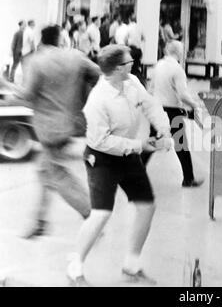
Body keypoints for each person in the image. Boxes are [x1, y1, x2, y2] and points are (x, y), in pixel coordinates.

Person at [66, 45, 172, 286]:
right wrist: (140, 145)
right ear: (115, 69)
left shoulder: (131, 82)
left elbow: (150, 105)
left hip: (128, 155)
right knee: (101, 213)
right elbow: (102, 141)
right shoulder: (98, 100)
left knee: (146, 206)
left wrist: (164, 128)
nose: (132, 64)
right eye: (127, 62)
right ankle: (75, 268)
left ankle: (131, 266)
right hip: (101, 158)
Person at [9, 25, 100, 238]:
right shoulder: (75, 57)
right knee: (45, 171)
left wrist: (7, 85)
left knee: (57, 175)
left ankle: (90, 215)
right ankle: (40, 222)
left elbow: (28, 94)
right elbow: (97, 73)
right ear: (60, 40)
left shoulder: (37, 61)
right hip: (69, 123)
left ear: (41, 40)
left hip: (48, 129)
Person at [149, 41, 204, 188]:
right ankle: (188, 179)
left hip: (156, 110)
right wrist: (194, 104)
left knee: (151, 142)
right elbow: (183, 95)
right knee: (181, 146)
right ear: (179, 52)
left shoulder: (158, 65)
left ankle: (133, 176)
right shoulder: (177, 69)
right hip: (172, 112)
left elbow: (151, 88)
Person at [126, 14, 146, 86]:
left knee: (130, 68)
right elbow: (144, 38)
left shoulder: (128, 27)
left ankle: (131, 83)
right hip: (138, 50)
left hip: (131, 50)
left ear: (130, 20)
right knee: (136, 67)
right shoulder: (139, 27)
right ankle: (140, 83)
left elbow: (125, 38)